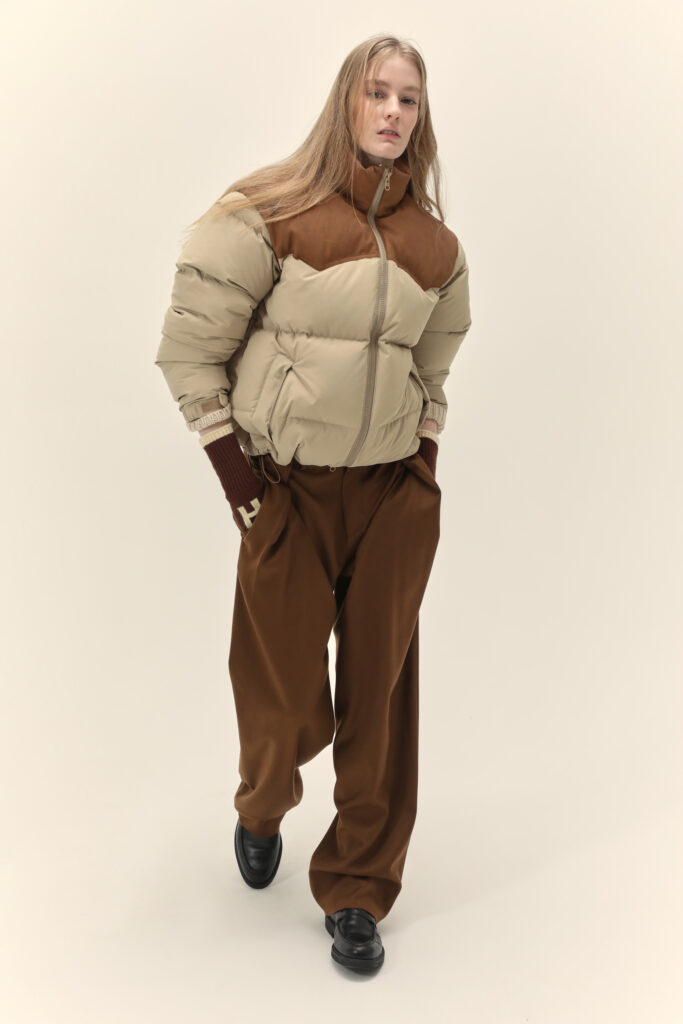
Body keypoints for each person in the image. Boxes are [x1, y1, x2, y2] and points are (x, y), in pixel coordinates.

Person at [155, 34, 472, 974]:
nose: (392, 112)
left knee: (379, 699)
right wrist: (243, 490)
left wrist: (421, 463)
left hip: (390, 498)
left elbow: (433, 370)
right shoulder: (267, 212)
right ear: (345, 101)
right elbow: (189, 354)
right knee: (282, 698)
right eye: (377, 93)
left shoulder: (436, 246)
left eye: (408, 99)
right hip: (286, 492)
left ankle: (359, 888)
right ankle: (262, 802)